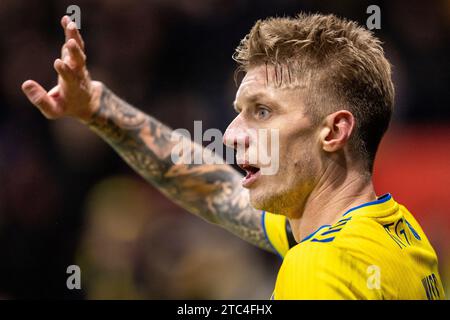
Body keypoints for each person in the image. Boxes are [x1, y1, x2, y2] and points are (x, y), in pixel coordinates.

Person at [21, 13, 445, 299]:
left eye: (262, 111)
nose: (230, 134)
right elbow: (216, 193)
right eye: (238, 113)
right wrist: (98, 109)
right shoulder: (395, 230)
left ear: (333, 131)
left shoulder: (318, 267)